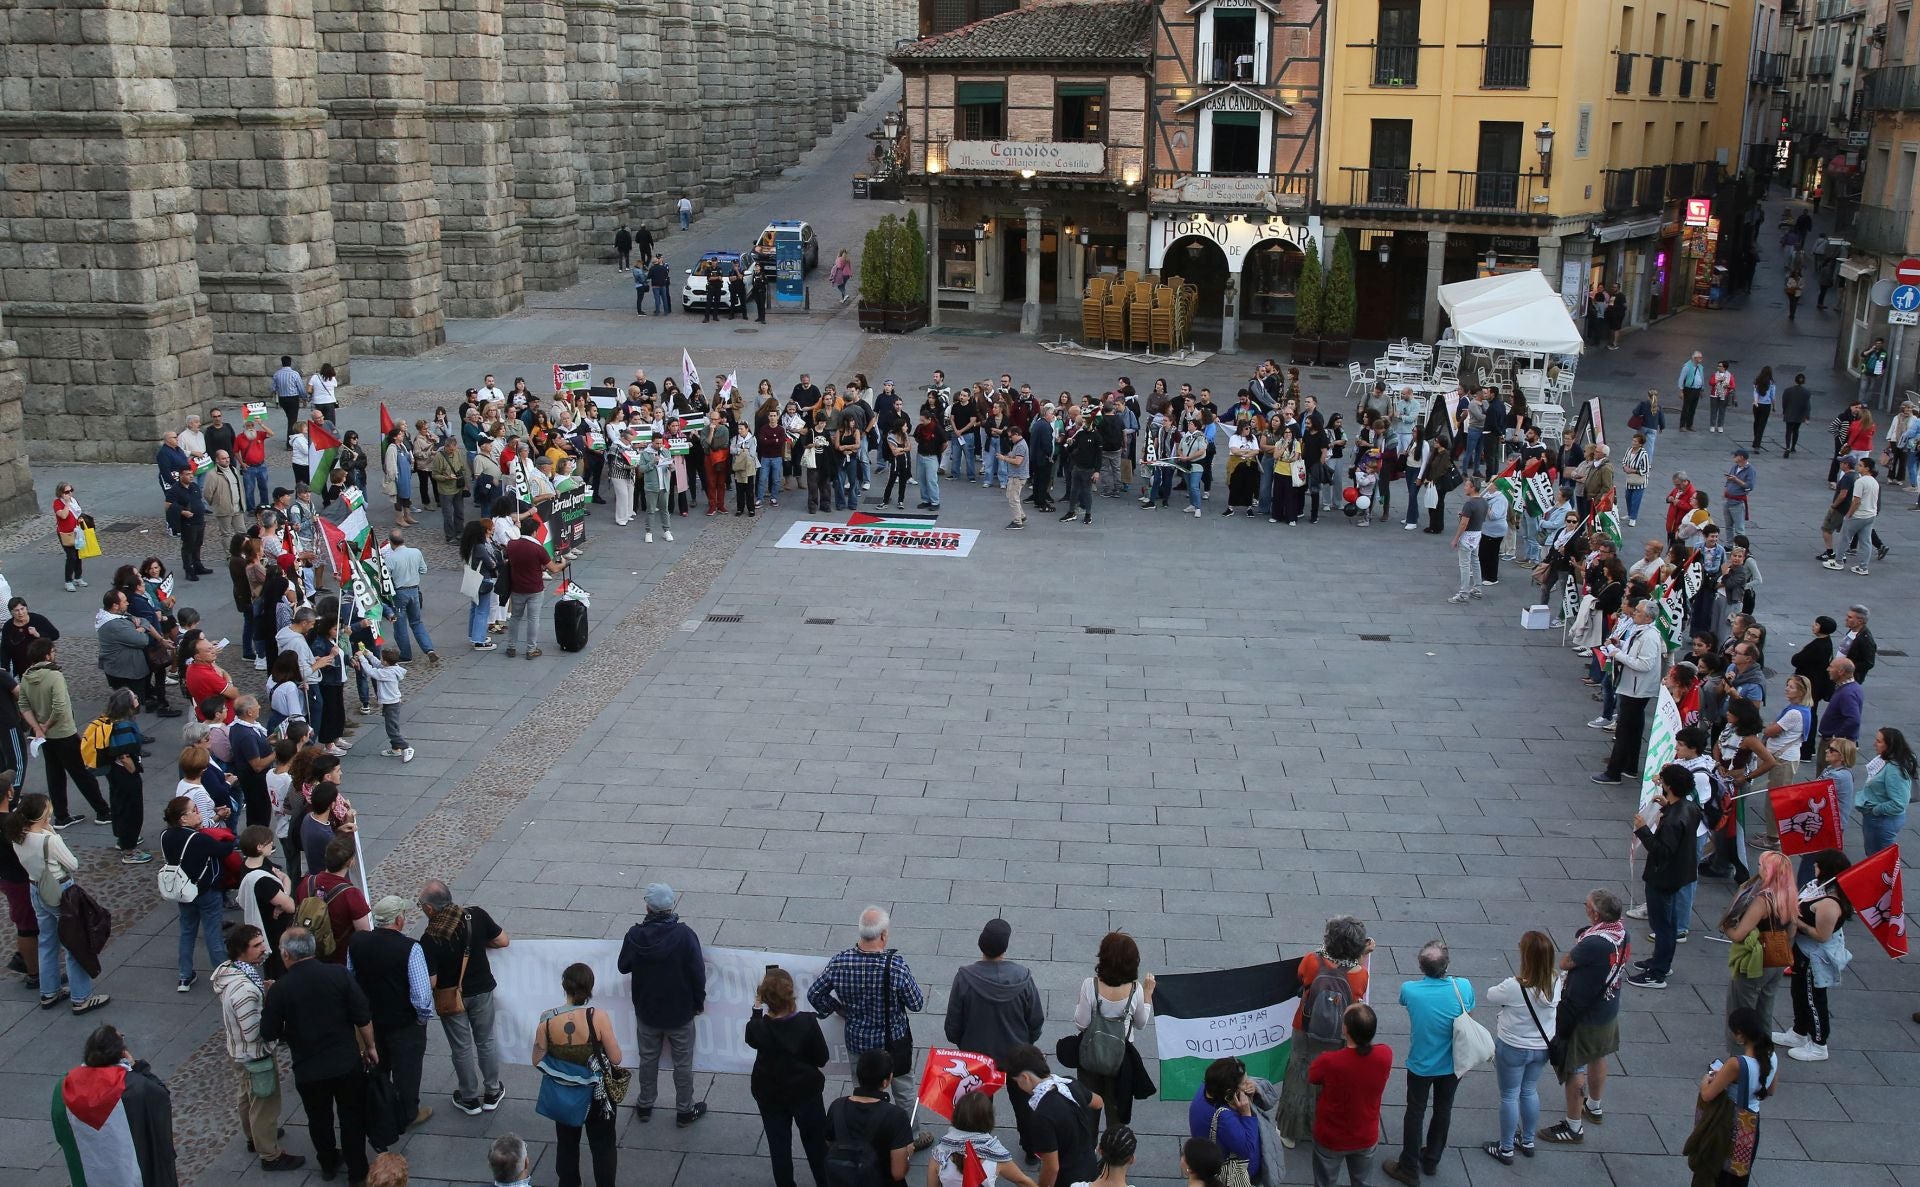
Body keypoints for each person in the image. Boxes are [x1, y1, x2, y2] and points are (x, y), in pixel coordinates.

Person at [261, 927, 375, 1184]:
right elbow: (362, 1015)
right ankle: (358, 1169)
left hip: (309, 1069)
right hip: (345, 1063)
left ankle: (328, 1162)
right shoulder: (338, 974)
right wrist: (370, 1047)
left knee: (319, 1119)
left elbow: (269, 1032)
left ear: (287, 955)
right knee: (351, 1117)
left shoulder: (281, 989)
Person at [809, 906, 928, 1116]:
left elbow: (814, 995)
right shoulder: (896, 967)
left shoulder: (840, 962)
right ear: (883, 935)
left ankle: (866, 1132)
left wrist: (837, 1008)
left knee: (863, 1093)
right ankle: (912, 1136)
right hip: (894, 1043)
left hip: (858, 1042)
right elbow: (916, 1003)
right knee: (905, 1093)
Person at [7, 792, 110, 1012]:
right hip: (60, 891)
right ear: (42, 816)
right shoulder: (49, 840)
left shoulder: (17, 834)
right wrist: (53, 833)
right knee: (74, 942)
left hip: (36, 888)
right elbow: (73, 864)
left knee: (46, 941)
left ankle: (49, 992)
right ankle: (81, 998)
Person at [214, 924, 306, 1171]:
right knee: (265, 1102)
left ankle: (253, 1137)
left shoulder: (230, 971)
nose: (263, 948)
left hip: (238, 1051)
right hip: (255, 1055)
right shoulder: (244, 991)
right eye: (256, 946)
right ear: (240, 951)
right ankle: (270, 1154)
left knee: (247, 1096)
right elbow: (255, 1032)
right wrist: (272, 1006)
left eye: (262, 942)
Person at [615, 882, 707, 1125]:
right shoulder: (685, 935)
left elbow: (623, 965)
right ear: (672, 905)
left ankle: (645, 1104)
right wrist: (699, 1002)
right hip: (680, 1011)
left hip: (647, 1010)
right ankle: (685, 1110)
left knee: (647, 1059)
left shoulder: (635, 935)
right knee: (683, 1064)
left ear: (648, 907)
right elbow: (698, 973)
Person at [1381, 941, 1471, 1186]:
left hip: (1421, 1063)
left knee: (1415, 1111)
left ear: (1421, 967)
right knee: (1444, 1108)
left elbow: (1405, 1002)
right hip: (1453, 1064)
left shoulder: (1410, 990)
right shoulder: (1462, 986)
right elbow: (1468, 1015)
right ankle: (1431, 1159)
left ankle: (1408, 1166)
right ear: (1447, 965)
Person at [1542, 890, 1627, 1144]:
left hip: (1584, 1013)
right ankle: (1595, 1106)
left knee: (1575, 1066)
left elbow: (1566, 962)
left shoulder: (1593, 942)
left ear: (1595, 913)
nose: (1585, 908)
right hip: (1608, 1008)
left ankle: (1573, 1125)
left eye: (1587, 906)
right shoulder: (1621, 932)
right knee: (1598, 1055)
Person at [1277, 917, 1371, 1149]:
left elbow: (1302, 976)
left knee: (1299, 1075)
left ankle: (1289, 1132)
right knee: (1329, 1078)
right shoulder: (1360, 974)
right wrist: (1362, 955)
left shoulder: (1311, 961)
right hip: (1339, 1032)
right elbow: (1356, 986)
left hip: (1306, 1029)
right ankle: (1320, 1124)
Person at [418, 879, 509, 1115]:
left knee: (461, 1048)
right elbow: (502, 940)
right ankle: (492, 1091)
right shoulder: (475, 916)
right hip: (482, 990)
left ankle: (469, 1097)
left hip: (451, 999)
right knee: (485, 1040)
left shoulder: (430, 938)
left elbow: (432, 982)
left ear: (429, 909)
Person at [350, 894, 435, 1134]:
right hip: (403, 1022)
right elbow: (421, 994)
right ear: (398, 920)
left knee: (379, 1064)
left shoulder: (357, 941)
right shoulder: (410, 948)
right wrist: (421, 1018)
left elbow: (351, 976)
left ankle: (381, 1104)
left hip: (372, 1020)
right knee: (407, 1069)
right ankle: (408, 1113)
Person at [52, 1026, 178, 1187]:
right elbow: (161, 1096)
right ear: (120, 1052)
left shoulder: (64, 1087)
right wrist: (138, 1067)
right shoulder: (136, 1088)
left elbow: (61, 1133)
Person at [532, 962, 621, 1187]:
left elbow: (537, 1059)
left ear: (564, 986)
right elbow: (616, 1058)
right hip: (597, 1096)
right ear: (590, 987)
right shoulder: (597, 1017)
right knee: (603, 1145)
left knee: (567, 1143)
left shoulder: (547, 1020)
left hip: (564, 1094)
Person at [1480, 932, 1559, 1164]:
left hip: (1513, 1046)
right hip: (1542, 1047)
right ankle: (1528, 1140)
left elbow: (1490, 995)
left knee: (1509, 1095)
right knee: (1529, 1090)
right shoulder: (1556, 981)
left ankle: (1505, 1148)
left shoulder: (1514, 986)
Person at [748, 966, 831, 1187]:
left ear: (765, 999)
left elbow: (751, 1034)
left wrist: (757, 1009)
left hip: (769, 1092)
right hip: (805, 1092)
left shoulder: (760, 1028)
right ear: (791, 993)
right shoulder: (806, 1022)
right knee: (816, 1143)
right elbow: (822, 1057)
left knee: (779, 1145)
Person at [1771, 849, 1854, 1063]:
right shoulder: (1820, 887)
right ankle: (1798, 1032)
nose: (1813, 868)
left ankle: (1819, 1044)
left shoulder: (1830, 903)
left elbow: (1822, 936)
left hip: (1814, 955)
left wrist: (1796, 922)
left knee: (1814, 999)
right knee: (1798, 993)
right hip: (1802, 951)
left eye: (1817, 865)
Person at [1626, 766, 1704, 990]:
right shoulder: (1689, 807)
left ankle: (1658, 972)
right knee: (1666, 923)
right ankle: (1660, 961)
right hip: (1679, 873)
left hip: (1664, 876)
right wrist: (1667, 806)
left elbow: (1661, 850)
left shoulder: (1672, 820)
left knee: (1663, 924)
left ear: (1669, 786)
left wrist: (1642, 830)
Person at [1686, 1007, 1778, 1185]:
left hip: (1728, 1124)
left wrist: (1708, 1078)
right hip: (1751, 1126)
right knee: (1738, 1174)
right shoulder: (1771, 1055)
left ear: (1740, 1035)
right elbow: (1771, 1090)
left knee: (1714, 1171)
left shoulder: (1736, 1064)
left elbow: (1707, 1095)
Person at [1307, 1003, 1390, 1187]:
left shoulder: (1329, 1061)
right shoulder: (1385, 1054)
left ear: (1345, 1029)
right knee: (1362, 1181)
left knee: (1325, 1181)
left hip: (1331, 1136)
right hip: (1365, 1134)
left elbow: (1312, 1076)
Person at [160, 795, 236, 993]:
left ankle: (184, 976)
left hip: (184, 892)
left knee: (187, 932)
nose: (198, 812)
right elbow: (224, 849)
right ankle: (224, 975)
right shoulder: (199, 838)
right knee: (213, 934)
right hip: (206, 891)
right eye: (194, 810)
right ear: (183, 819)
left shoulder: (165, 836)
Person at [1002, 1045, 1102, 1187]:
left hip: (1068, 1179)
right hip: (1090, 1167)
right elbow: (1098, 1102)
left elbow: (1052, 1167)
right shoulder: (1069, 1083)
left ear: (1025, 1077)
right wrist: (1091, 1136)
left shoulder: (1042, 1115)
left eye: (1017, 1081)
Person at [826, 1049, 916, 1187]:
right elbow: (898, 1173)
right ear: (885, 1082)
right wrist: (907, 1154)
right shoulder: (896, 1117)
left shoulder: (837, 1106)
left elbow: (829, 1142)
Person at [1187, 1058, 1262, 1184]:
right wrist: (1246, 1114)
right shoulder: (1225, 1118)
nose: (1248, 1083)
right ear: (1229, 1091)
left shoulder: (1205, 1089)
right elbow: (1247, 1150)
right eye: (1244, 1083)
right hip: (1230, 1173)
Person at [502, 521, 566, 659]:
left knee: (515, 617)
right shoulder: (538, 549)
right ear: (534, 532)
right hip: (534, 588)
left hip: (517, 587)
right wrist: (563, 564)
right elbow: (554, 569)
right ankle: (531, 649)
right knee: (533, 619)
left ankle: (511, 647)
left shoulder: (512, 545)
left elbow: (509, 560)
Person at [1855, 726, 1913, 856]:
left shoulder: (1894, 770)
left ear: (1890, 746)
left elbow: (1899, 803)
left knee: (1879, 860)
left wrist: (1875, 810)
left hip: (1881, 820)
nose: (1875, 744)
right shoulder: (1884, 761)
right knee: (1875, 858)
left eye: (1879, 741)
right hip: (1878, 819)